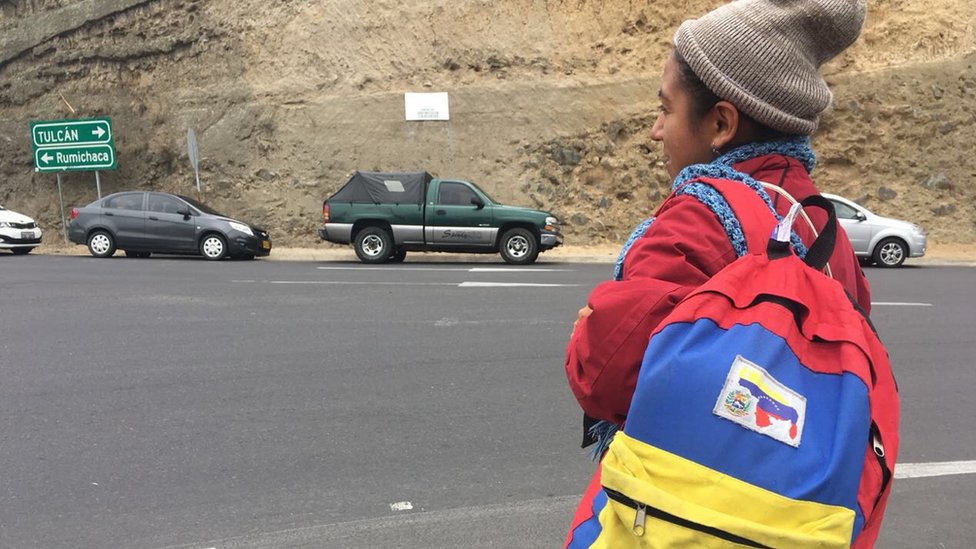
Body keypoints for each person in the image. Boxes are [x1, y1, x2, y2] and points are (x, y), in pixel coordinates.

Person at [564, 0, 871, 543]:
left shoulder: (699, 215)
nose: (656, 130)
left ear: (721, 122)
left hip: (685, 522)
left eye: (666, 108)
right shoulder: (828, 233)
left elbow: (607, 375)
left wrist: (588, 329)